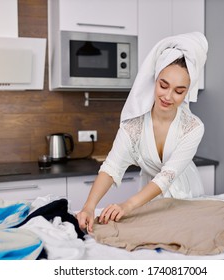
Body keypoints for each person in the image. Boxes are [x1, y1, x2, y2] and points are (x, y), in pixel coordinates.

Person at [76, 32, 208, 233]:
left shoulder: (193, 127)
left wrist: (127, 205)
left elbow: (167, 176)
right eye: (163, 85)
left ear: (188, 91)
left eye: (179, 91)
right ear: (154, 80)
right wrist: (89, 206)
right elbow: (111, 167)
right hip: (147, 202)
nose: (168, 96)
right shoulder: (133, 126)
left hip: (187, 197)